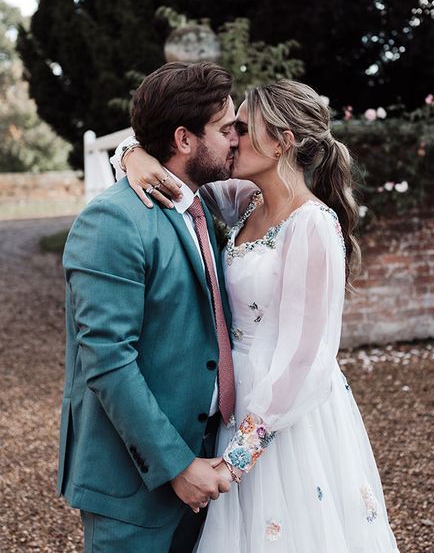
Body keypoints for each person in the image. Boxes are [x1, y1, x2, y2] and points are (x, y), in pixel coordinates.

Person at [117, 79, 400, 551]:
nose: (232, 138)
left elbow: (304, 358)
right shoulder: (244, 200)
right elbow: (176, 178)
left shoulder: (313, 225)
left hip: (284, 414)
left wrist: (235, 461)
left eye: (244, 129)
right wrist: (132, 155)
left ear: (282, 142)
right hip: (235, 395)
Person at [60, 62, 240, 552]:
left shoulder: (202, 205)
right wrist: (176, 465)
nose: (237, 141)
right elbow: (108, 360)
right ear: (184, 139)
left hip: (206, 460)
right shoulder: (113, 221)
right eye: (226, 130)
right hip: (134, 479)